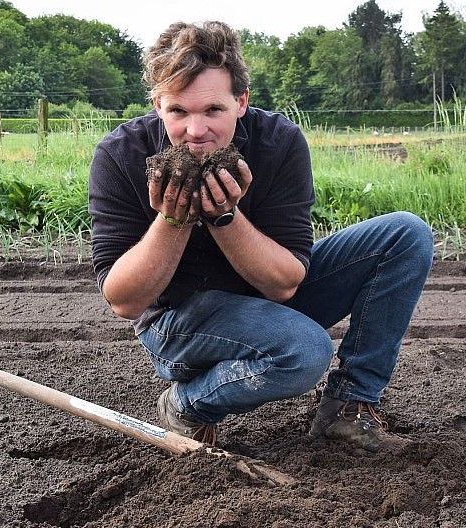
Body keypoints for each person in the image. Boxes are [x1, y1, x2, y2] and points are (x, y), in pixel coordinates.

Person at [88, 20, 433, 452]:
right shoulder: (120, 155)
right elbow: (124, 301)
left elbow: (285, 282)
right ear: (158, 105)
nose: (196, 131)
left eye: (213, 110)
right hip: (176, 319)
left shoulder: (278, 142)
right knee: (306, 352)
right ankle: (188, 403)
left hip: (262, 297)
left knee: (405, 234)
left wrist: (224, 217)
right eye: (178, 111)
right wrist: (174, 221)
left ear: (241, 102)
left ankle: (350, 407)